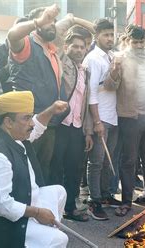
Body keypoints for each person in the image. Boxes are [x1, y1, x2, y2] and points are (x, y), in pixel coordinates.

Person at [0, 91, 69, 248]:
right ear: (8, 122)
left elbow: (37, 125)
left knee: (58, 191)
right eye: (26, 118)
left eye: (30, 116)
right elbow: (0, 205)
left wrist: (50, 110)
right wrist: (37, 212)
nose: (32, 123)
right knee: (58, 239)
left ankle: (43, 231)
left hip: (23, 205)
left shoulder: (14, 135)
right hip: (2, 227)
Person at [7, 4, 68, 184]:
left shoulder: (51, 49)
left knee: (41, 171)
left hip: (49, 122)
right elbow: (12, 35)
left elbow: (66, 24)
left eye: (53, 22)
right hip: (28, 120)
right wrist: (39, 21)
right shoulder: (27, 43)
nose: (52, 25)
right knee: (25, 173)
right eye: (47, 21)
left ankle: (38, 211)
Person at [104, 26, 145, 216]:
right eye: (134, 42)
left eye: (141, 42)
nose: (138, 45)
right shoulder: (121, 58)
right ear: (128, 41)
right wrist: (115, 70)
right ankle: (126, 201)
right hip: (131, 117)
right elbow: (110, 86)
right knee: (128, 161)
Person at [49, 31, 94, 222]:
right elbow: (57, 36)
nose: (78, 50)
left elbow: (86, 102)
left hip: (77, 127)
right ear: (66, 47)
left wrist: (88, 132)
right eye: (74, 46)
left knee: (74, 169)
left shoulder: (86, 71)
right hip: (60, 124)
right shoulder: (61, 63)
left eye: (82, 47)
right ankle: (52, 210)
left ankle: (70, 208)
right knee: (55, 168)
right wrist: (74, 20)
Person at [83, 19, 122, 221]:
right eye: (105, 34)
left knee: (108, 160)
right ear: (97, 36)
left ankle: (106, 195)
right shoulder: (93, 58)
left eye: (111, 34)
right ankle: (94, 201)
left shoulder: (112, 56)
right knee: (96, 162)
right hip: (101, 118)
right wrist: (97, 121)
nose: (109, 38)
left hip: (113, 116)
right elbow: (91, 94)